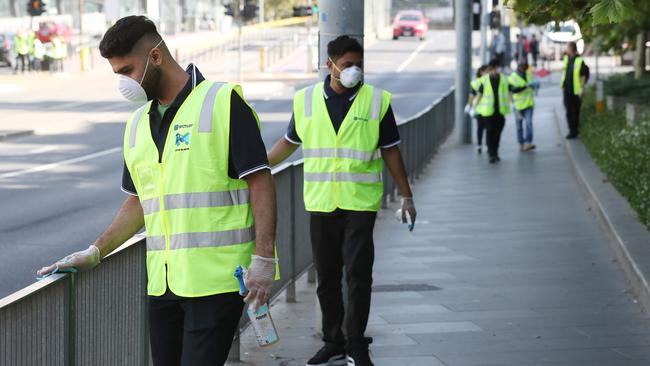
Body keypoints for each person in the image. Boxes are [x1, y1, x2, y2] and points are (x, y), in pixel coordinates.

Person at [36, 16, 278, 366]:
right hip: (163, 284)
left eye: (128, 70)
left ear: (157, 57)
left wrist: (264, 258)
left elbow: (261, 181)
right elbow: (138, 202)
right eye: (118, 74)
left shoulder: (222, 102)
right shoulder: (136, 124)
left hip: (218, 282)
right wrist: (95, 250)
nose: (124, 83)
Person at [268, 35, 416, 366]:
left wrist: (406, 196)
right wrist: (259, 165)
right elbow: (289, 142)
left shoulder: (376, 101)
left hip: (359, 203)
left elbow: (391, 150)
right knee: (328, 277)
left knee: (359, 276)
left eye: (359, 65)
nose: (355, 71)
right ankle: (333, 340)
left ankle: (356, 343)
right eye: (348, 65)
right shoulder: (305, 101)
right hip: (322, 204)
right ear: (330, 65)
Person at [474, 58, 511, 163]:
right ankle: (491, 154)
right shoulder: (485, 80)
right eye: (493, 68)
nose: (496, 70)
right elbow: (479, 95)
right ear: (490, 69)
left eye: (497, 68)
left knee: (497, 133)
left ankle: (495, 152)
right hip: (488, 112)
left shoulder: (504, 79)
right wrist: (474, 107)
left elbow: (509, 92)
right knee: (490, 132)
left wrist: (512, 104)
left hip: (500, 112)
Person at [561, 41, 589, 139]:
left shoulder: (579, 60)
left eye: (567, 47)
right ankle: (572, 130)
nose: (566, 49)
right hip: (567, 89)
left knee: (575, 111)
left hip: (576, 91)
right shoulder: (566, 59)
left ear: (571, 49)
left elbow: (584, 75)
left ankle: (575, 130)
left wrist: (582, 87)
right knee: (568, 110)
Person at [508, 60, 536, 151]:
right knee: (519, 126)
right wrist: (526, 86)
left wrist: (534, 86)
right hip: (517, 106)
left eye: (525, 68)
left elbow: (532, 85)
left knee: (529, 123)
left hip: (529, 104)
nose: (524, 69)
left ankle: (528, 142)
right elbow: (513, 90)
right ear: (519, 67)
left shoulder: (528, 74)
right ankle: (521, 143)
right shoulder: (512, 77)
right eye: (522, 67)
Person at [467, 64, 488, 153]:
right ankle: (480, 144)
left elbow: (471, 95)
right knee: (482, 128)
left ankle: (483, 145)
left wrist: (469, 105)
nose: (487, 73)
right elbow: (472, 95)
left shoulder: (480, 82)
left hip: (485, 108)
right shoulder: (478, 82)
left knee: (484, 128)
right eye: (486, 71)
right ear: (481, 72)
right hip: (480, 109)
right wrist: (470, 105)